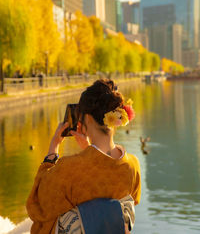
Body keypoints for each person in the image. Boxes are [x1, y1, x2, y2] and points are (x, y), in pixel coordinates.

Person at [26, 79, 141, 234]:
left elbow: (37, 206)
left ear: (86, 118)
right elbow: (104, 175)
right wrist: (88, 149)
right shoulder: (132, 166)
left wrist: (53, 149)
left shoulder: (69, 168)